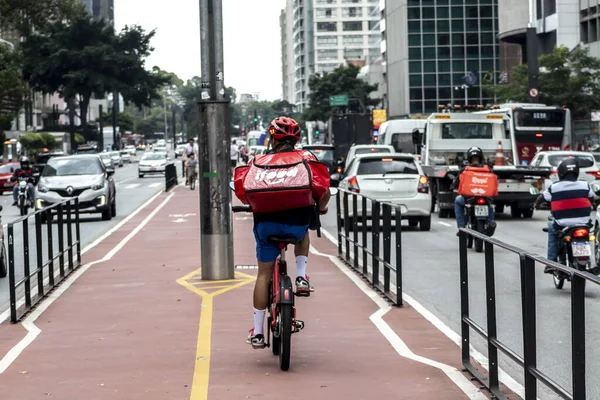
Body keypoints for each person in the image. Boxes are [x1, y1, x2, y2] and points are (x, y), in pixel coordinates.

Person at [233, 117, 331, 349]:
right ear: (296, 139)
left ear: (272, 138)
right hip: (296, 226)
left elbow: (242, 191)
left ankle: (258, 332)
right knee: (304, 233)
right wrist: (323, 207)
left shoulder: (257, 160)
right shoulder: (306, 159)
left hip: (266, 226)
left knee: (263, 275)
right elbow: (323, 189)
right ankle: (300, 276)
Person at [534, 157, 594, 273]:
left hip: (563, 224)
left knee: (552, 231)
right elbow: (591, 197)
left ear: (561, 173)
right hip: (583, 223)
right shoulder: (584, 185)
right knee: (591, 230)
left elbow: (541, 198)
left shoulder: (554, 187)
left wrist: (536, 205)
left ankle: (551, 262)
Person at [452, 146, 497, 235]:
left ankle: (461, 227)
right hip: (486, 197)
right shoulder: (488, 169)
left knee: (457, 201)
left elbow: (456, 183)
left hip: (469, 198)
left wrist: (454, 186)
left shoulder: (465, 169)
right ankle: (491, 223)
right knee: (490, 205)